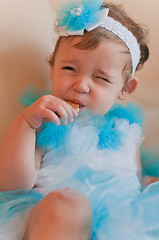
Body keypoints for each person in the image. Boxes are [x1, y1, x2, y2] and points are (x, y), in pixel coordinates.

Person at [1, 0, 159, 239]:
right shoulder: (44, 122)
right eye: (69, 69)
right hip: (55, 222)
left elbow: (134, 180)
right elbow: (13, 186)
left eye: (101, 78)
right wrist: (26, 123)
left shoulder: (126, 131)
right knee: (68, 205)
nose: (81, 85)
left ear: (125, 89)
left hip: (120, 226)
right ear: (52, 68)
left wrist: (149, 183)